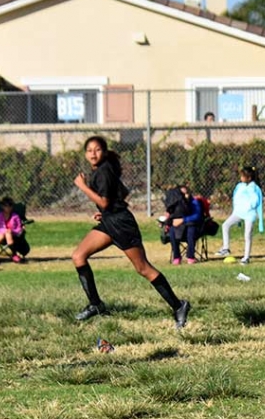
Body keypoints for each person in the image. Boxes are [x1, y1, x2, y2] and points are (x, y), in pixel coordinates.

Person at [72, 136, 190, 329]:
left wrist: (83, 187)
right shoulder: (103, 170)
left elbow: (103, 201)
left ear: (104, 151)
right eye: (89, 150)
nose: (93, 154)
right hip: (110, 222)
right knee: (79, 256)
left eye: (97, 149)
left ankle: (179, 306)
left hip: (122, 225)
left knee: (143, 268)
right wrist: (105, 212)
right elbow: (119, 195)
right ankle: (95, 304)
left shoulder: (104, 171)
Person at [217, 166, 264, 265]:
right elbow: (236, 197)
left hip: (249, 214)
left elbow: (256, 201)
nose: (241, 178)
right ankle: (226, 248)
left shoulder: (254, 188)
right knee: (225, 225)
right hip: (238, 213)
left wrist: (249, 207)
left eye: (243, 176)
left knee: (247, 235)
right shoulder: (240, 186)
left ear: (249, 178)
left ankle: (246, 257)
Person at [164, 184, 202, 265]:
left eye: (186, 193)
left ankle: (190, 256)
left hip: (192, 226)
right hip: (178, 229)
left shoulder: (194, 202)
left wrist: (183, 220)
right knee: (172, 231)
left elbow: (197, 216)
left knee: (191, 230)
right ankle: (177, 256)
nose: (185, 195)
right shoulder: (175, 204)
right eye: (182, 194)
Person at [0, 196, 25, 263]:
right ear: (2, 206)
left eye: (10, 206)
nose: (8, 208)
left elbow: (18, 228)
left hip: (13, 236)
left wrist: (12, 231)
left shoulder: (15, 216)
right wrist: (2, 231)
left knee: (8, 233)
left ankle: (14, 255)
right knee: (2, 234)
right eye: (6, 206)